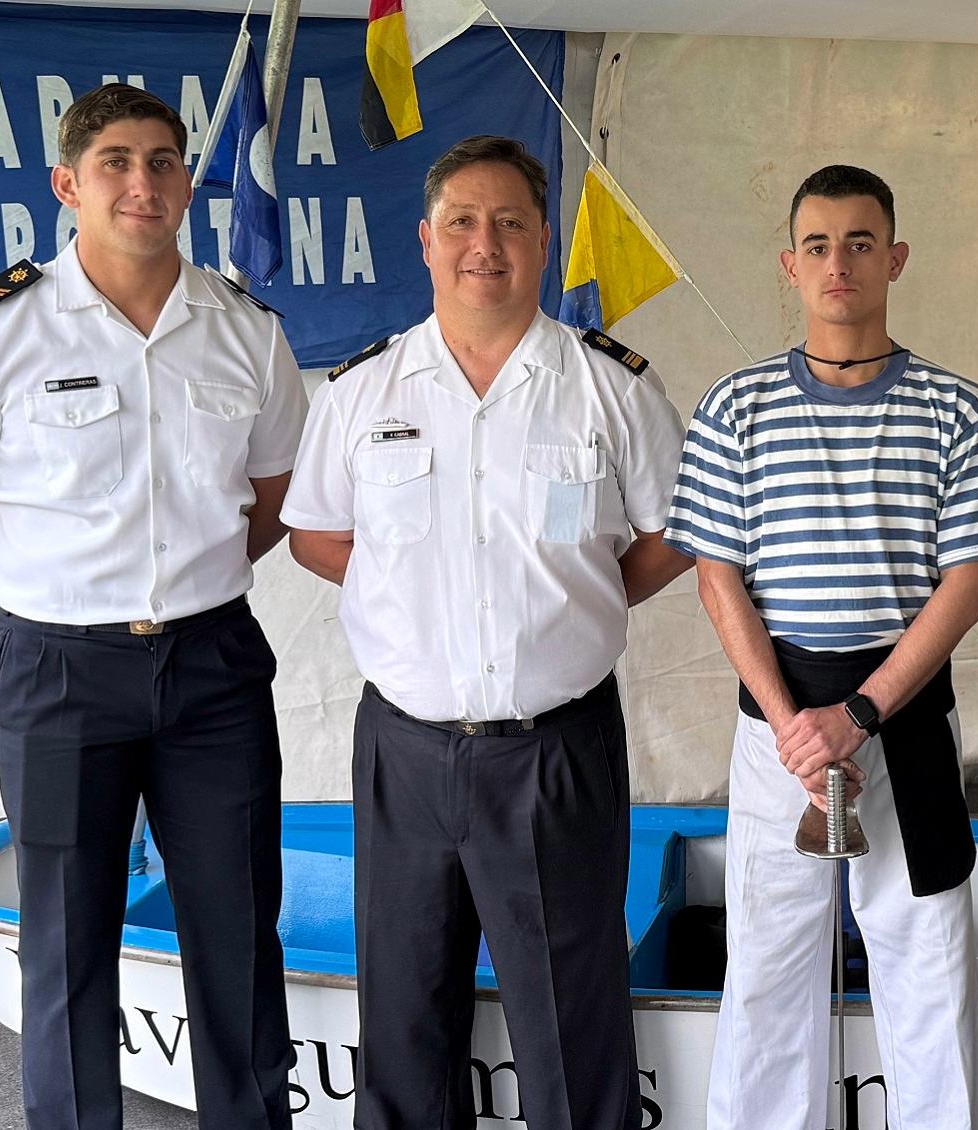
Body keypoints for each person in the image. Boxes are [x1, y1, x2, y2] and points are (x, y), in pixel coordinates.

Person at [0, 84, 307, 1130]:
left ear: (187, 185)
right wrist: (35, 616)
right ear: (70, 184)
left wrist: (186, 585)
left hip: (212, 668)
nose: (142, 181)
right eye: (115, 161)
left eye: (162, 160)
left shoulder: (243, 329)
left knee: (238, 931)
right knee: (68, 944)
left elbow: (276, 495)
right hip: (59, 672)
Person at [281, 135, 690, 1130]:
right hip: (405, 750)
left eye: (509, 221)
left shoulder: (613, 387)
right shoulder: (360, 391)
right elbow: (315, 534)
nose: (484, 243)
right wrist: (409, 598)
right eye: (461, 221)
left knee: (568, 1009)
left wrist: (570, 603)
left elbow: (672, 534)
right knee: (404, 1003)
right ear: (424, 239)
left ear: (543, 239)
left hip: (554, 751)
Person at [666, 164, 978, 1129]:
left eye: (861, 242)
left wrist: (860, 714)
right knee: (768, 964)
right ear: (790, 264)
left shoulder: (960, 411)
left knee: (927, 957)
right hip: (776, 728)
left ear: (896, 258)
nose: (840, 263)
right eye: (819, 245)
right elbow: (717, 578)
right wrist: (796, 725)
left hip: (900, 724)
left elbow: (969, 584)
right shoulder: (734, 407)